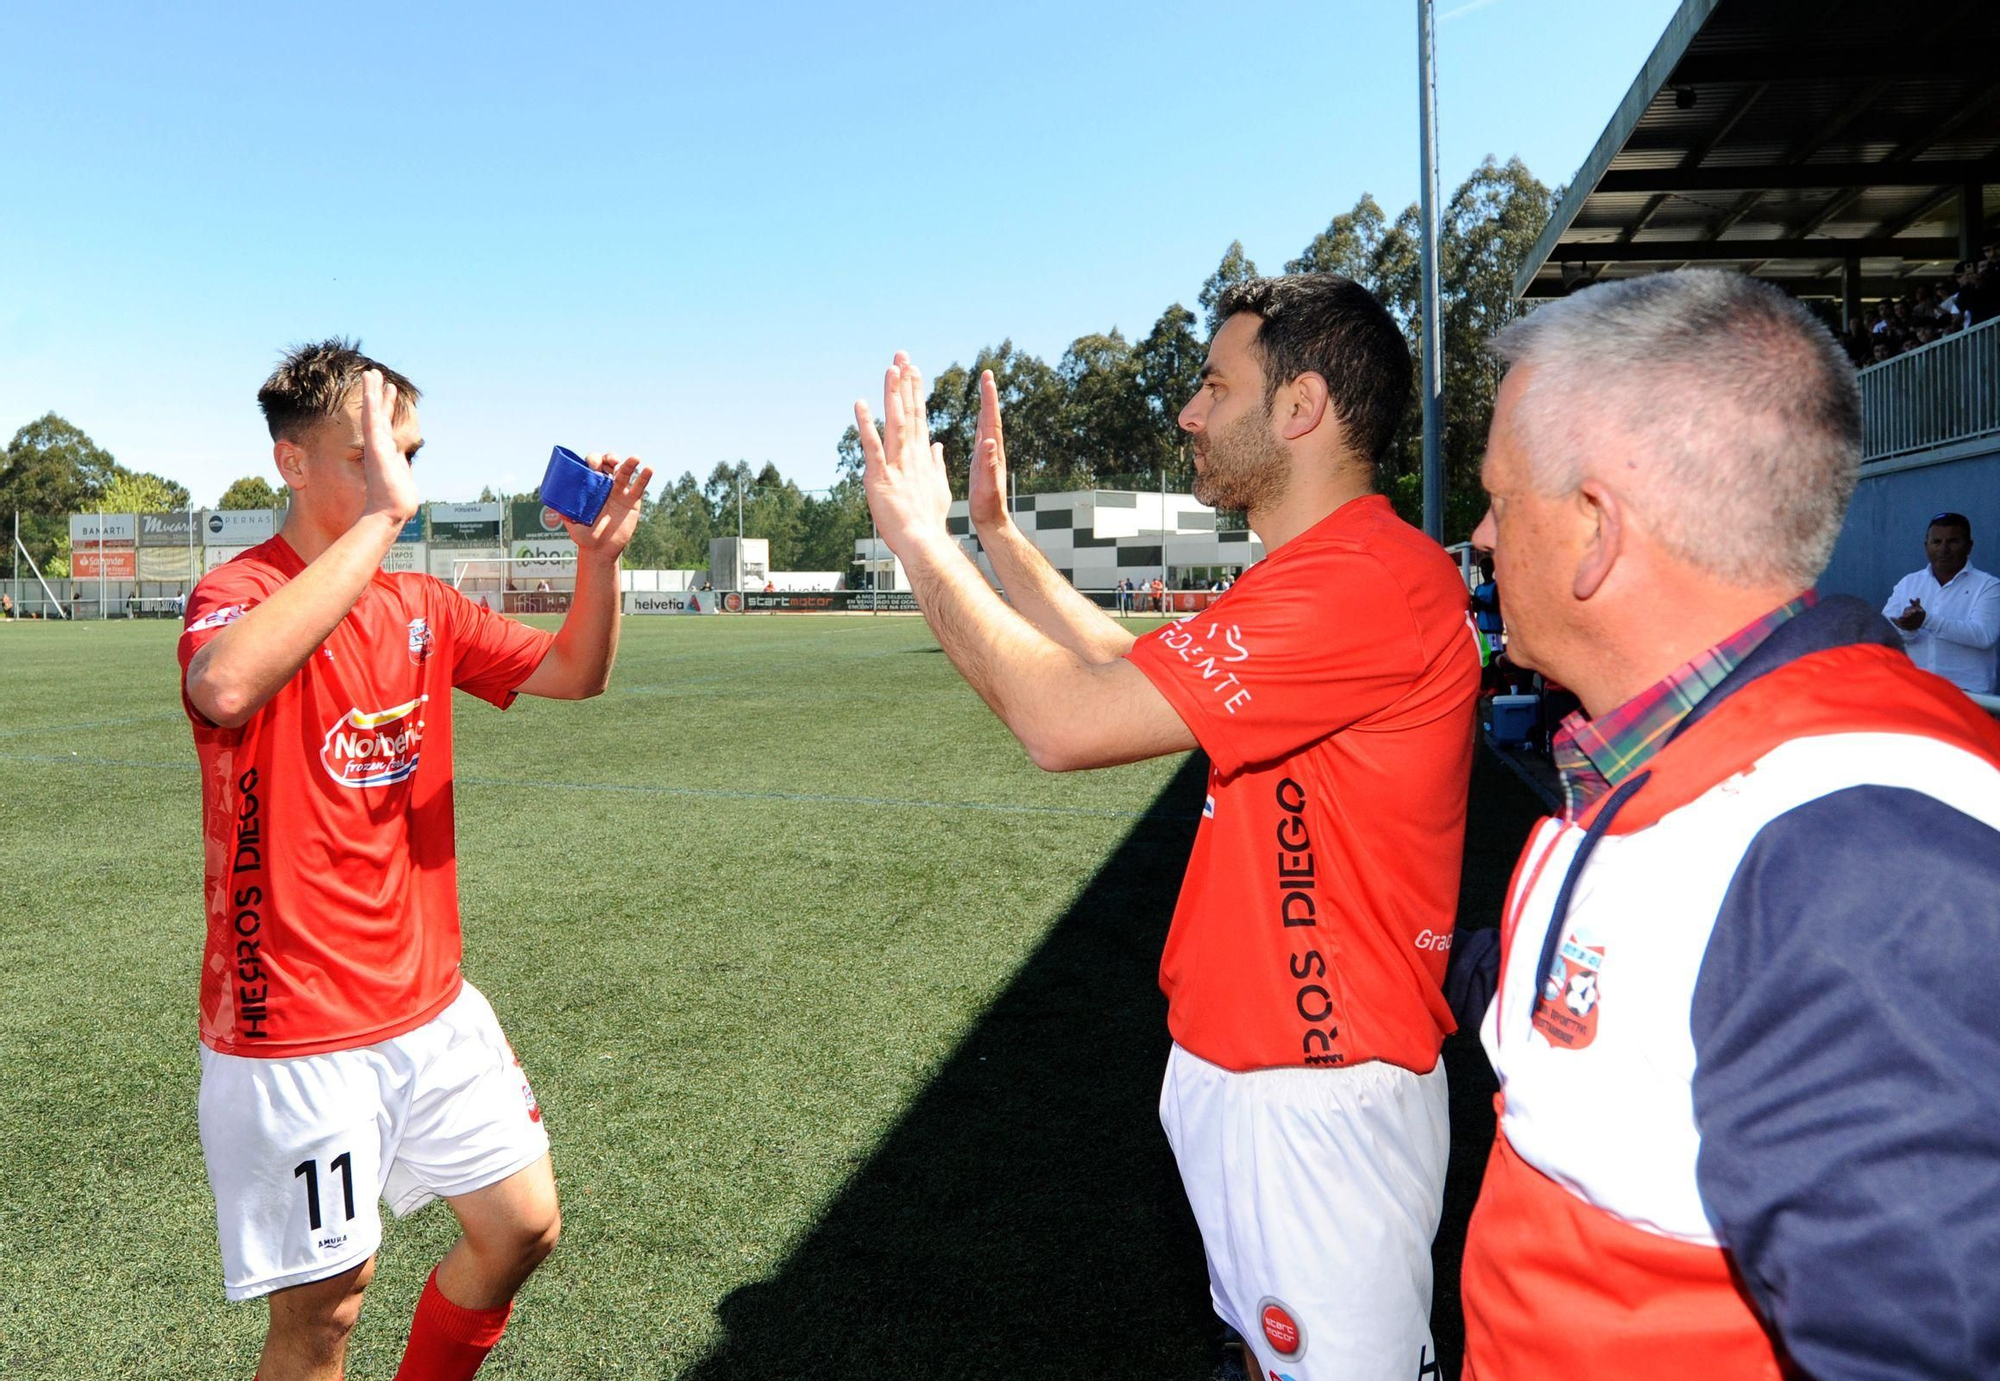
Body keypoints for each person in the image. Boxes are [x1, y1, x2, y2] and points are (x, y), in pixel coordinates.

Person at [855, 273, 1481, 1380]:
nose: (1188, 413)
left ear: (1299, 408)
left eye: (1212, 384)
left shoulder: (1365, 582)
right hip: (1258, 1077)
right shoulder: (1319, 575)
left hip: (1315, 1092)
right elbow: (1120, 662)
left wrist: (918, 542)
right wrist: (992, 534)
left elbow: (1061, 719)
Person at [1456, 269, 2000, 1379]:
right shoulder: (1662, 755)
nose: (1476, 535)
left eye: (1498, 500)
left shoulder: (1854, 856)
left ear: (1594, 530)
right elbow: (1600, 1024)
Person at [178, 339, 652, 1381]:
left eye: (410, 455)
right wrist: (386, 519)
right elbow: (223, 685)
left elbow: (576, 671)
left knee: (522, 1225)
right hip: (292, 1028)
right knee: (324, 1318)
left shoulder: (421, 606)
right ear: (291, 463)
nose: (403, 481)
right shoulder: (237, 589)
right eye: (372, 458)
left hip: (430, 1007)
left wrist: (597, 561)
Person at [1883, 511, 2000, 694]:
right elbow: (1885, 633)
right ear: (1926, 546)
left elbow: (1984, 636)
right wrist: (1908, 627)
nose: (1943, 549)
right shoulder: (1908, 583)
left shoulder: (1988, 585)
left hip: (1969, 697)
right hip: (1917, 691)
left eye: (1953, 541)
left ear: (1969, 546)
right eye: (1936, 542)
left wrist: (1927, 621)